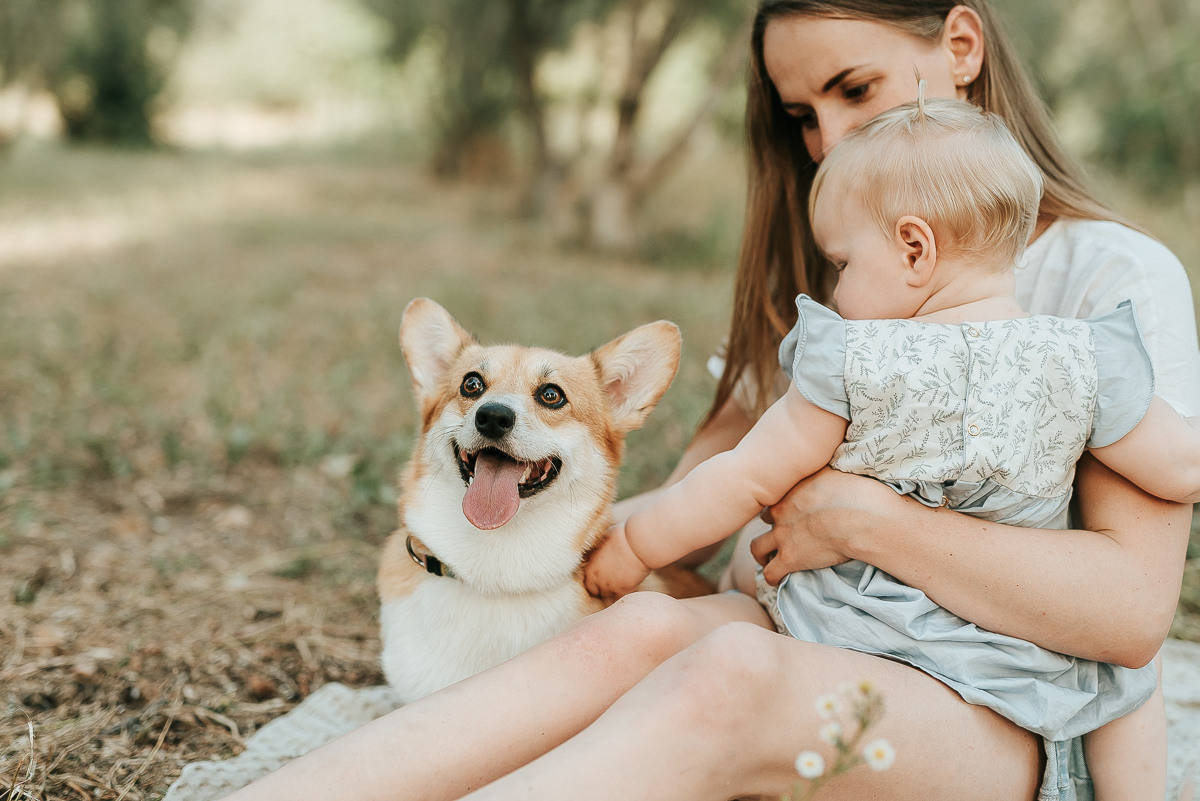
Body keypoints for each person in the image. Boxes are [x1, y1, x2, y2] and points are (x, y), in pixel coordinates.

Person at [220, 2, 1199, 799]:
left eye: (854, 89)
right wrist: (495, 542)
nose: (830, 140)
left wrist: (862, 523)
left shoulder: (1106, 285)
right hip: (814, 630)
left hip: (1001, 705)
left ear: (961, 44)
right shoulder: (846, 284)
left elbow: (1128, 616)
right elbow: (697, 500)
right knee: (642, 632)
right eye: (803, 116)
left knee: (726, 681)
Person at [584, 93, 1200, 801]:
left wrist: (632, 549)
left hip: (857, 642)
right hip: (1022, 663)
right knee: (1127, 681)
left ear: (914, 248)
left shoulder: (853, 367)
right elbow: (1181, 467)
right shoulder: (1089, 360)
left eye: (842, 263)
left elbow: (736, 480)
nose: (836, 285)